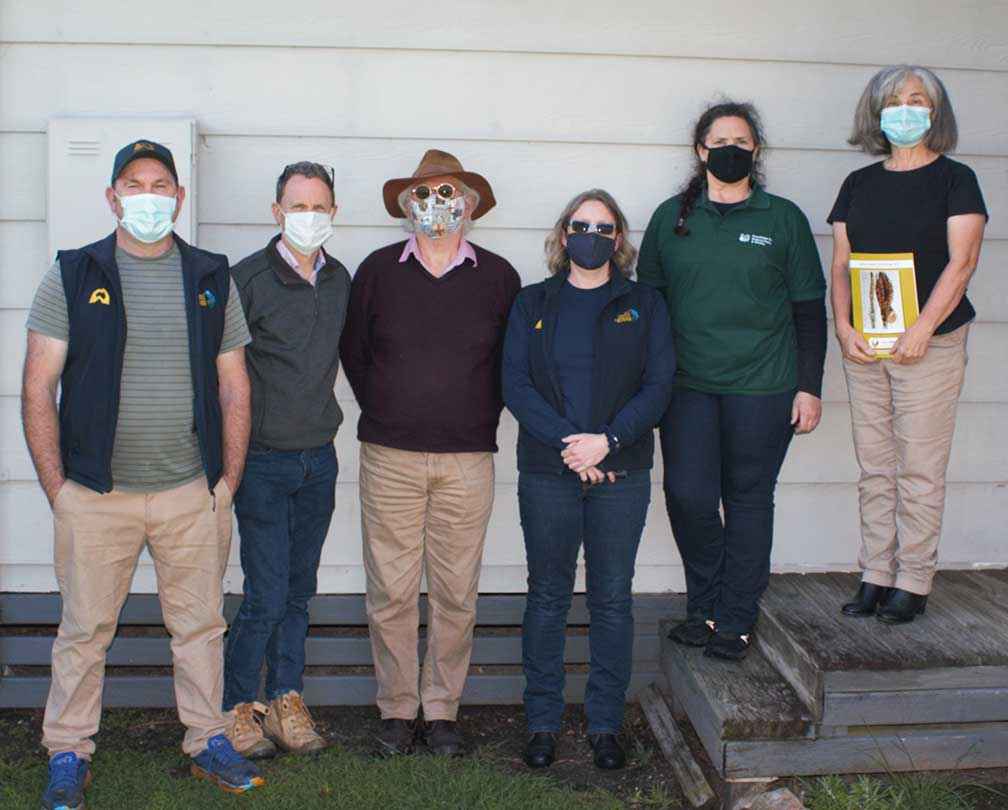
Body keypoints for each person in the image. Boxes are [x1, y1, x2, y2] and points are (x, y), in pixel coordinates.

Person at [22, 140, 263, 808]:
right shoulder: (75, 272)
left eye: (161, 185)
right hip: (96, 495)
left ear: (179, 199)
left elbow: (234, 385)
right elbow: (38, 385)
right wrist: (57, 490)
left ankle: (207, 740)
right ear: (112, 196)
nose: (149, 197)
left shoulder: (211, 275)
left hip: (191, 491)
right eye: (135, 184)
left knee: (200, 628)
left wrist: (226, 483)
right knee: (83, 631)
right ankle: (68, 750)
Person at [339, 149, 521, 757]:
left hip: (468, 458)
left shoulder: (498, 277)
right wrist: (393, 406)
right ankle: (396, 709)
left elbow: (508, 364)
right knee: (390, 587)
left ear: (469, 207)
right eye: (424, 194)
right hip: (388, 454)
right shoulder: (377, 272)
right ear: (405, 207)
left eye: (449, 194)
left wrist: (468, 414)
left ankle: (441, 709)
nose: (436, 206)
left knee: (455, 589)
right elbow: (355, 354)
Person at [638, 102, 828, 661]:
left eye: (741, 142)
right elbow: (650, 306)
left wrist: (809, 386)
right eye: (719, 141)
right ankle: (706, 605)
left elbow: (809, 312)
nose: (730, 150)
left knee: (747, 500)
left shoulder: (782, 219)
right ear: (700, 151)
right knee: (688, 496)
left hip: (764, 387)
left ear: (756, 152)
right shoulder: (671, 218)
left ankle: (736, 618)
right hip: (687, 387)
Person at [502, 189, 675, 771]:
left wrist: (608, 441)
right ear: (562, 233)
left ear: (619, 239)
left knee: (611, 599)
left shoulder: (644, 304)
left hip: (621, 473)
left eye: (603, 228)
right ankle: (543, 722)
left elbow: (658, 385)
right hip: (549, 472)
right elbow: (516, 385)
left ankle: (604, 724)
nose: (591, 236)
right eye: (581, 225)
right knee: (547, 597)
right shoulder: (533, 303)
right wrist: (570, 445)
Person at [829, 66, 988, 623]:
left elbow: (963, 262)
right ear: (876, 113)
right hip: (866, 345)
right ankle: (875, 572)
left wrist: (921, 330)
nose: (905, 109)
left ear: (935, 112)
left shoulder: (956, 179)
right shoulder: (858, 185)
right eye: (893, 101)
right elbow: (843, 263)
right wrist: (844, 326)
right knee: (875, 464)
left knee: (919, 465)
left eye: (917, 100)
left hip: (932, 342)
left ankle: (914, 579)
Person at [223, 162, 351, 757]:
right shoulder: (245, 280)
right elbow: (220, 375)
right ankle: (235, 707)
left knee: (299, 591)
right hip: (263, 462)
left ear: (334, 213)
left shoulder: (340, 280)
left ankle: (286, 700)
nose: (308, 217)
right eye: (296, 206)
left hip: (317, 460)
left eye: (318, 206)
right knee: (265, 594)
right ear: (276, 212)